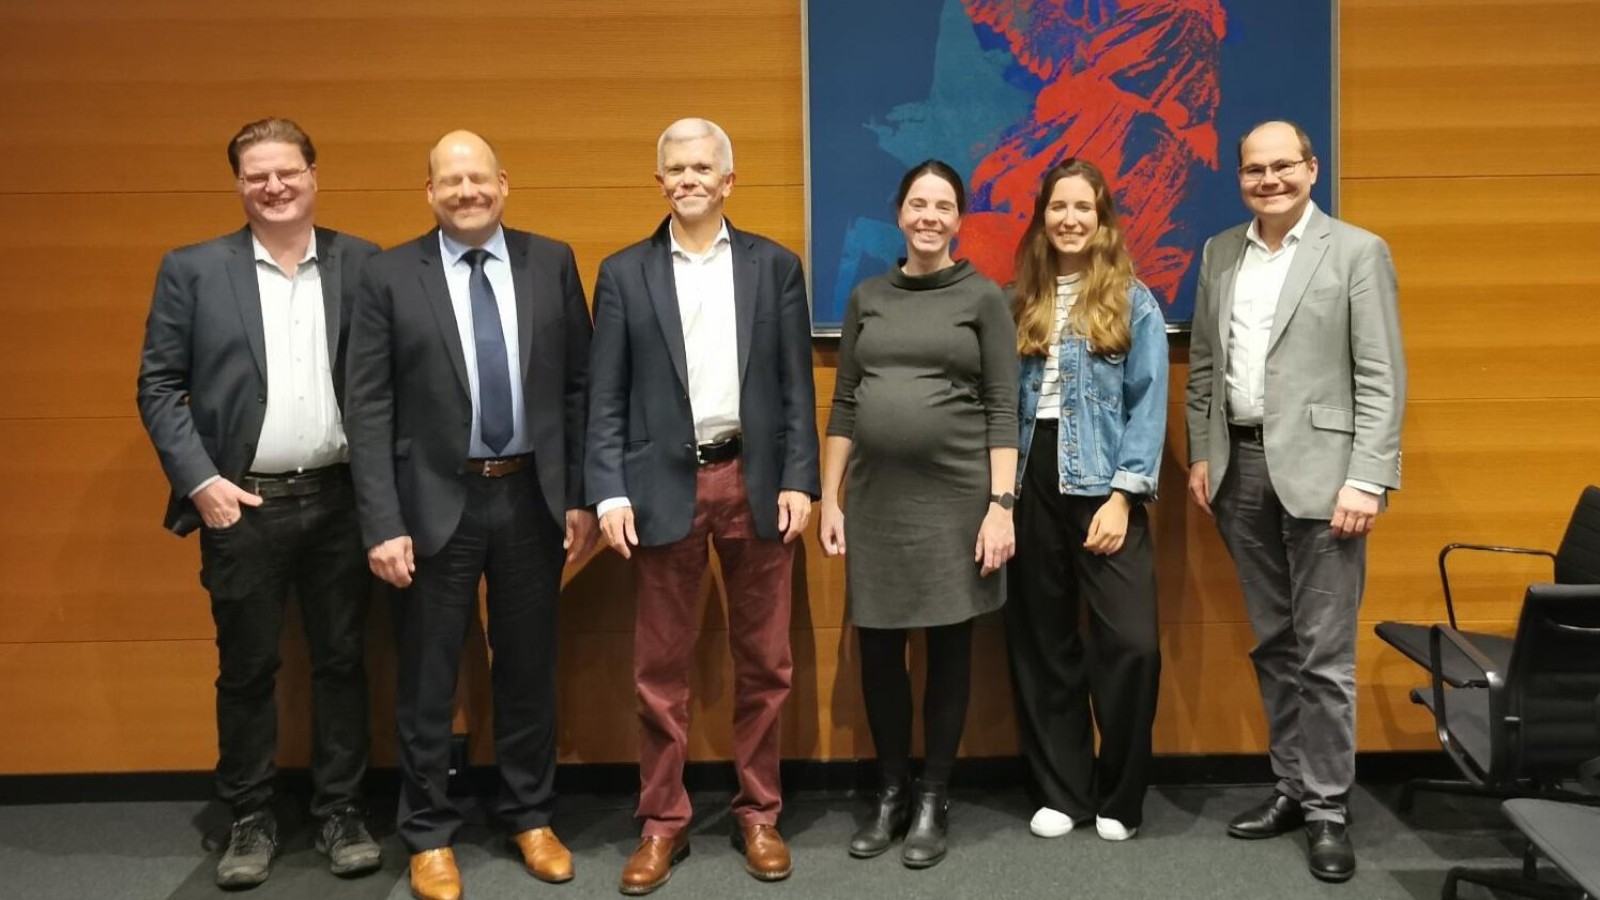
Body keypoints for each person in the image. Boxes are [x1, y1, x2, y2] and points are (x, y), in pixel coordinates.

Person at [344, 130, 596, 900]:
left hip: (531, 497)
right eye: (449, 181)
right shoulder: (389, 275)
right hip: (430, 504)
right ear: (429, 193)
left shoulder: (551, 261)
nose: (465, 191)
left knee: (527, 666)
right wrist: (382, 522)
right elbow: (368, 406)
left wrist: (581, 494)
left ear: (504, 183)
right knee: (426, 675)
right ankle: (427, 834)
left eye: (477, 178)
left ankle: (529, 815)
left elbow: (581, 388)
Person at [136, 117, 383, 888]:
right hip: (242, 507)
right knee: (247, 668)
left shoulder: (365, 265)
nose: (274, 186)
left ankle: (341, 809)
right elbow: (158, 385)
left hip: (343, 500)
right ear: (239, 184)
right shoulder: (194, 270)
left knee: (343, 661)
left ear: (314, 173)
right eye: (256, 176)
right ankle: (250, 815)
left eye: (287, 171)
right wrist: (202, 481)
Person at [586, 117, 819, 895]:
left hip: (752, 481)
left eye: (701, 168)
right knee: (659, 667)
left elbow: (794, 385)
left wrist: (800, 478)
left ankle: (759, 813)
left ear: (728, 179)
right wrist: (609, 487)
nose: (687, 180)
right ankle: (662, 824)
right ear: (660, 181)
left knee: (766, 662)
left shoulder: (774, 268)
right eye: (674, 169)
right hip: (660, 488)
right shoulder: (623, 273)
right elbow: (606, 396)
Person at [1185, 120, 1405, 883]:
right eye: (1254, 169)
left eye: (1283, 166)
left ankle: (1327, 809)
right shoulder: (1219, 253)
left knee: (1326, 653)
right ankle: (1289, 786)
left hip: (1327, 477)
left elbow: (1381, 375)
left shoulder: (1356, 251)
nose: (1268, 179)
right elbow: (1205, 369)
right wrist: (1204, 455)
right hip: (1239, 473)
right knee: (1274, 643)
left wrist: (1368, 476)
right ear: (1239, 177)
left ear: (1312, 169)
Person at [820, 159, 1020, 869]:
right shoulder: (868, 295)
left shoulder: (984, 297)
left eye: (943, 206)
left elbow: (1004, 407)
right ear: (900, 213)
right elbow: (844, 400)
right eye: (918, 203)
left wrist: (1002, 506)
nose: (930, 216)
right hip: (875, 502)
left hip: (957, 500)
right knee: (879, 649)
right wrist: (829, 497)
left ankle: (935, 796)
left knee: (949, 650)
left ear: (958, 220)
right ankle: (890, 792)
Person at [1004, 158, 1168, 844]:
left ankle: (1119, 796)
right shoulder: (1016, 299)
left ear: (1103, 219)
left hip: (1105, 485)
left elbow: (1149, 405)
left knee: (1132, 644)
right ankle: (1061, 791)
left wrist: (1125, 496)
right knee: (1043, 642)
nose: (1069, 219)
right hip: (1028, 477)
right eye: (1057, 206)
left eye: (1083, 208)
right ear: (1042, 215)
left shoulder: (1134, 301)